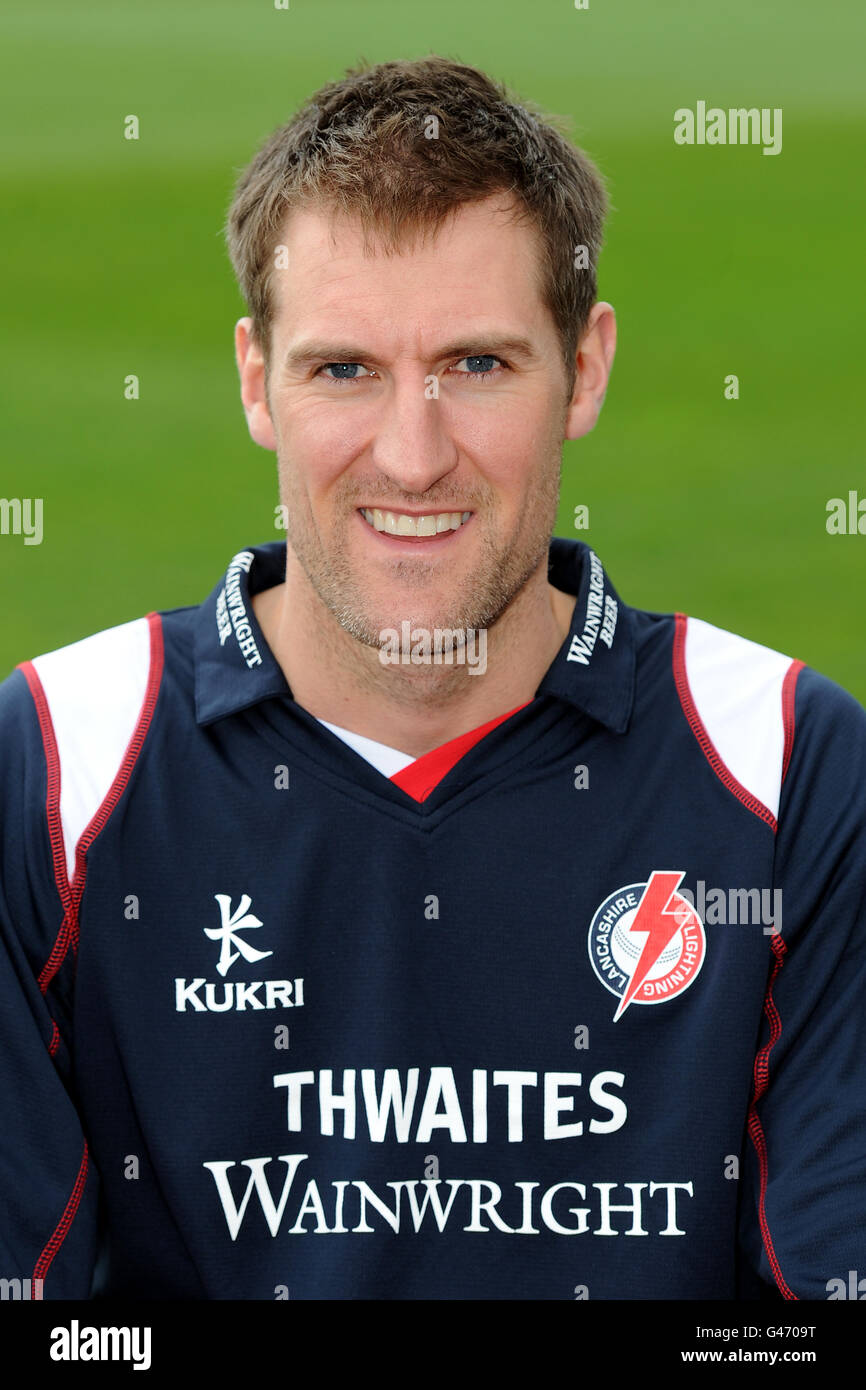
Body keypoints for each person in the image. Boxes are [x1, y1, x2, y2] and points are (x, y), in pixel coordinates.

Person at [1, 55, 864, 1302]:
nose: (412, 457)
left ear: (587, 366)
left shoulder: (789, 765)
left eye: (476, 365)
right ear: (257, 380)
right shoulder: (50, 769)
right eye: (343, 369)